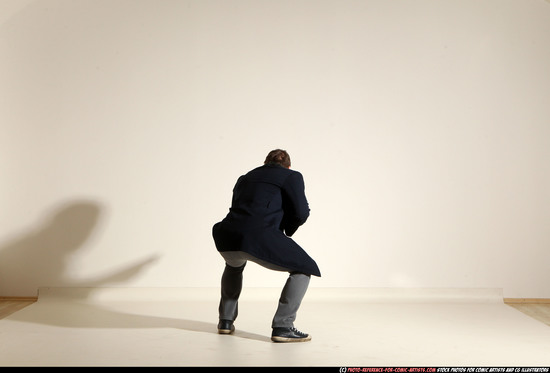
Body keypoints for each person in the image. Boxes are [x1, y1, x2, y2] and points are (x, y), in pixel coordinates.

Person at [212, 149, 321, 343]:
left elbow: (242, 207)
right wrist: (287, 229)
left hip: (226, 234)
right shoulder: (292, 175)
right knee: (305, 268)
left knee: (234, 266)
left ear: (265, 162)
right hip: (257, 235)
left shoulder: (245, 177)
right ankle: (283, 326)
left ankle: (225, 322)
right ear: (288, 166)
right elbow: (302, 212)